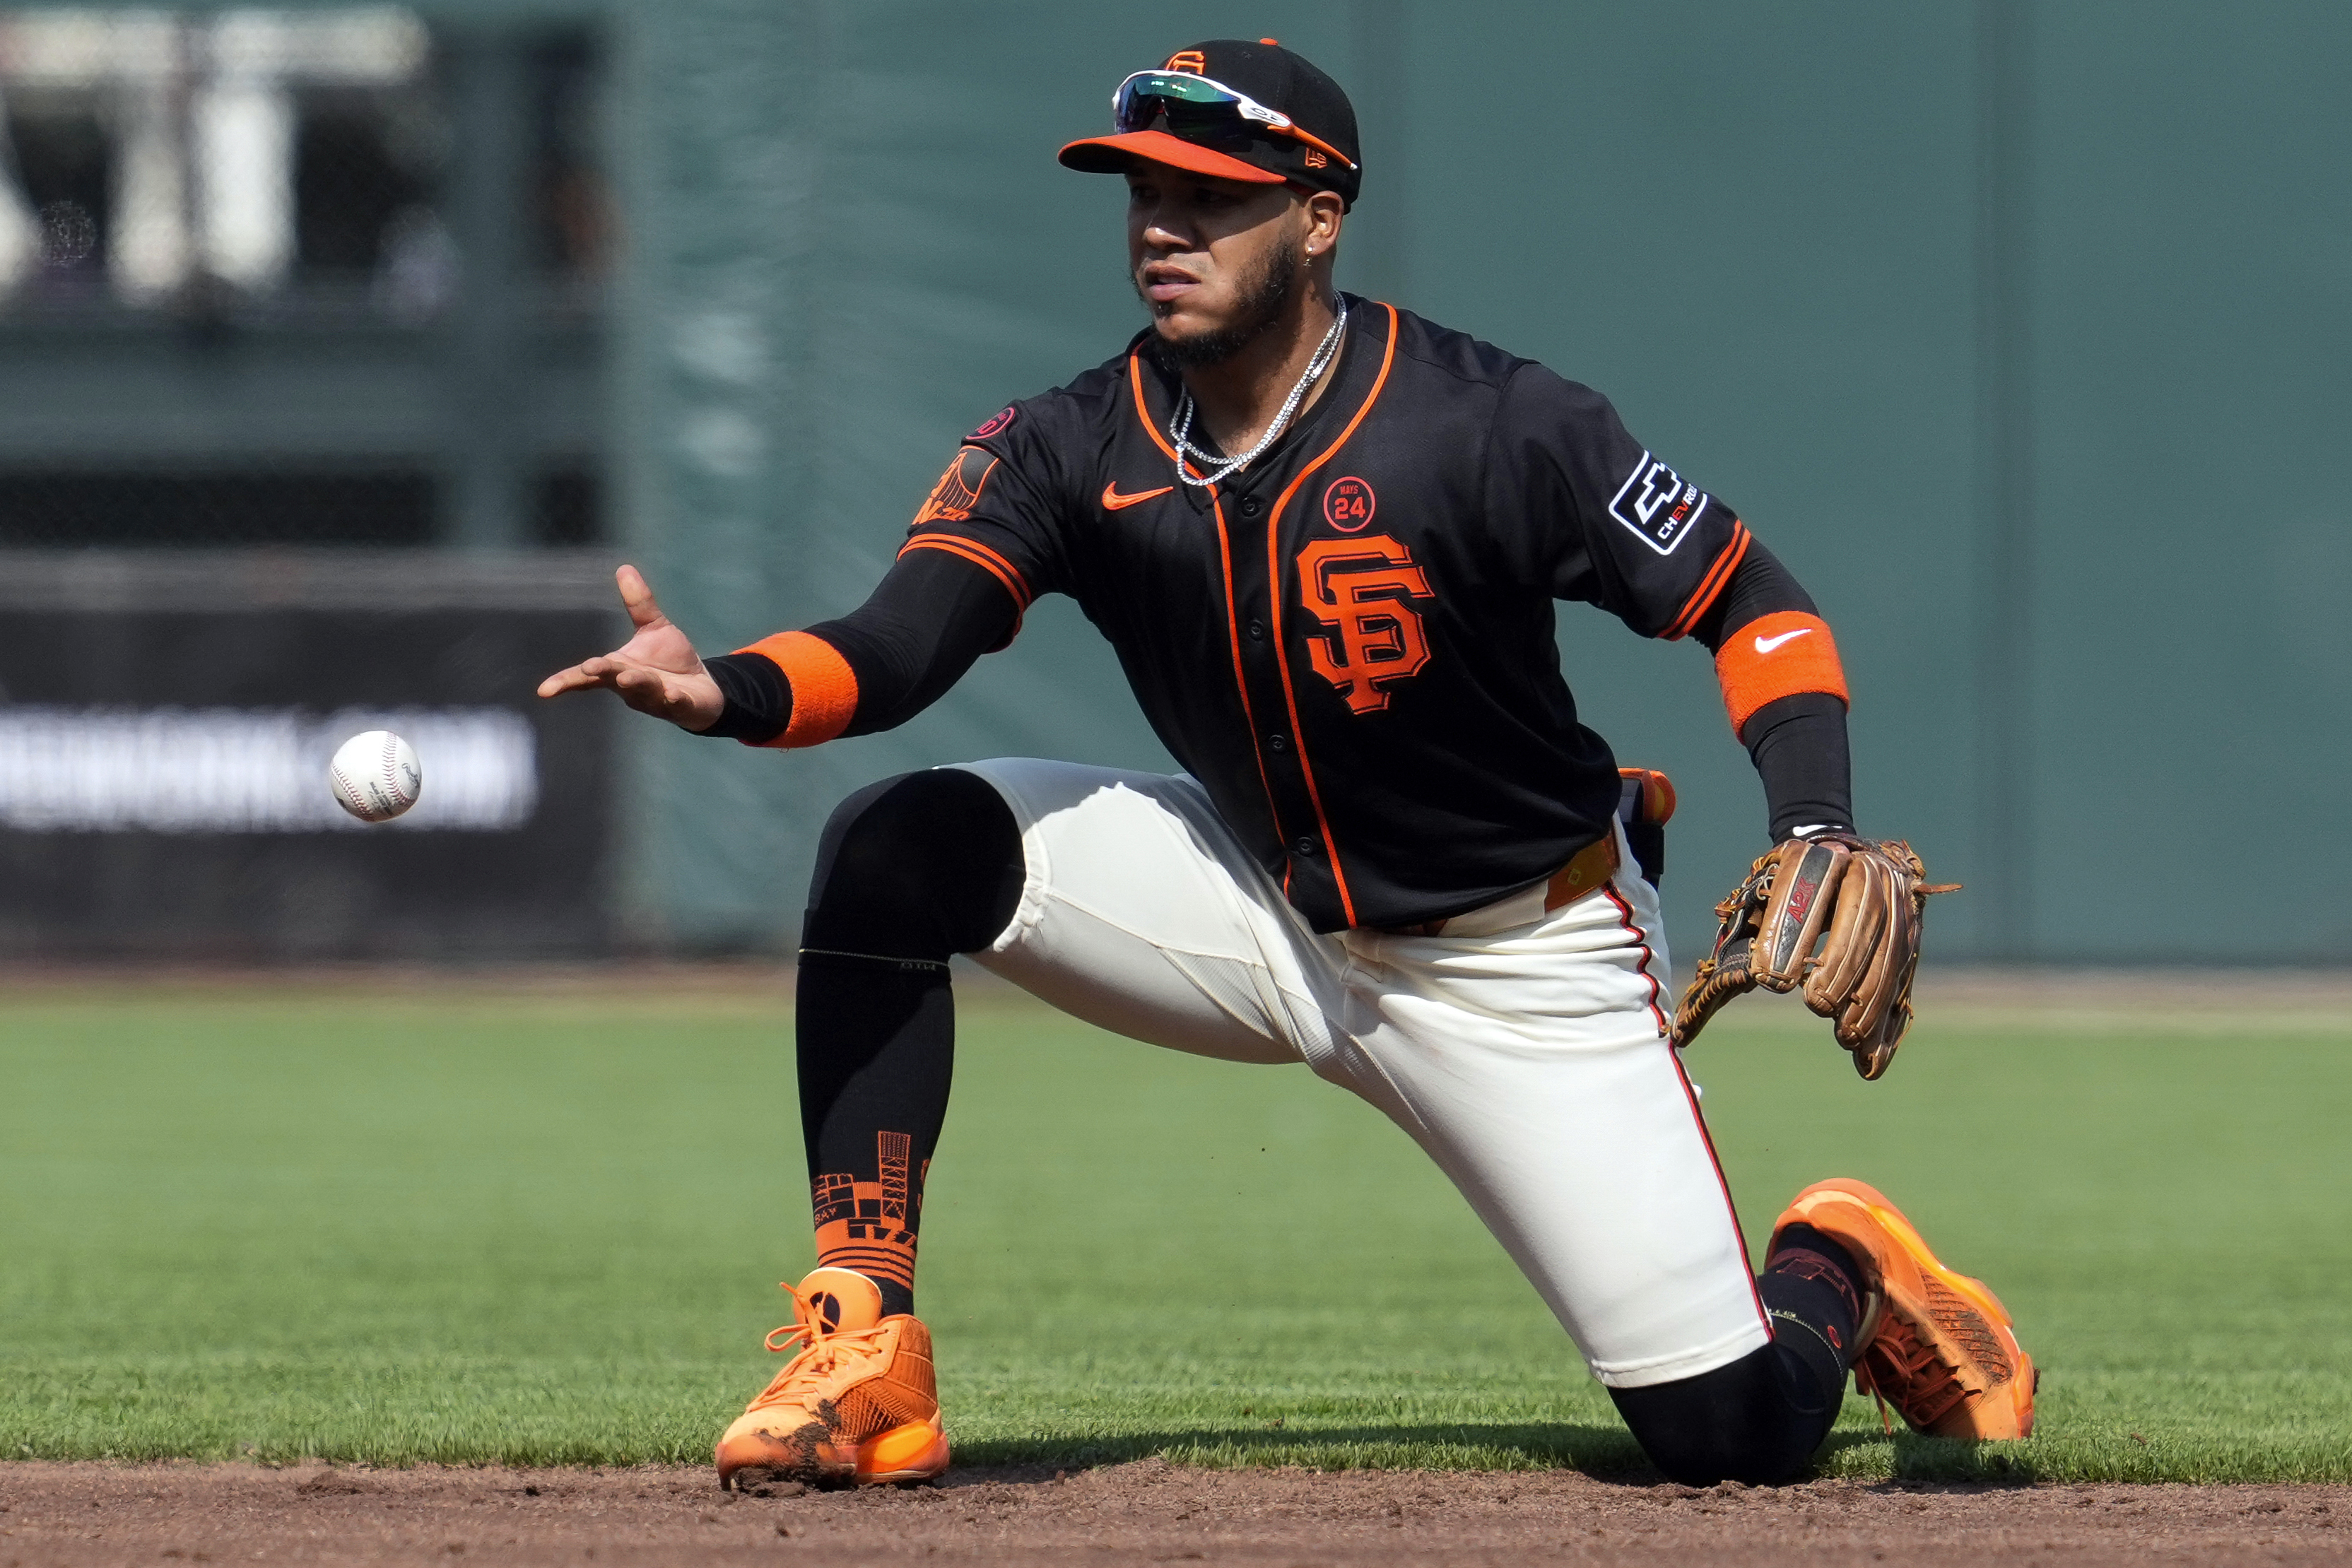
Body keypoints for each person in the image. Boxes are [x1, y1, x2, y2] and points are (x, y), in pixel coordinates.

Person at [539, 39, 2033, 1490]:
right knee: (896, 844)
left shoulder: (1492, 423)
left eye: (1209, 194)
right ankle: (861, 1349)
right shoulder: (1066, 442)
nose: (1161, 225)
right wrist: (723, 688)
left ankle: (1836, 1260)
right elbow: (896, 646)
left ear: (1318, 218)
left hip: (1517, 955)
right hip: (1253, 908)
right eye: (1140, 191)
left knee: (1734, 1438)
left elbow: (1747, 600)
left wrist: (1816, 814)